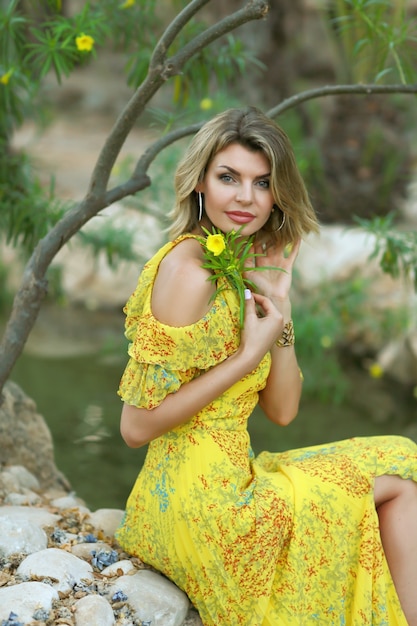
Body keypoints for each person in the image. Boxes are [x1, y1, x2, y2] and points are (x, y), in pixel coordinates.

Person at [116, 107, 417, 625]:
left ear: (278, 195)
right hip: (207, 514)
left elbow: (282, 411)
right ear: (199, 184)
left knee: (400, 456)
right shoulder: (190, 272)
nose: (245, 198)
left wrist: (280, 309)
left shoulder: (235, 266)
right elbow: (135, 425)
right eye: (228, 177)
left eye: (262, 183)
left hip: (223, 488)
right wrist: (245, 357)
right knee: (402, 475)